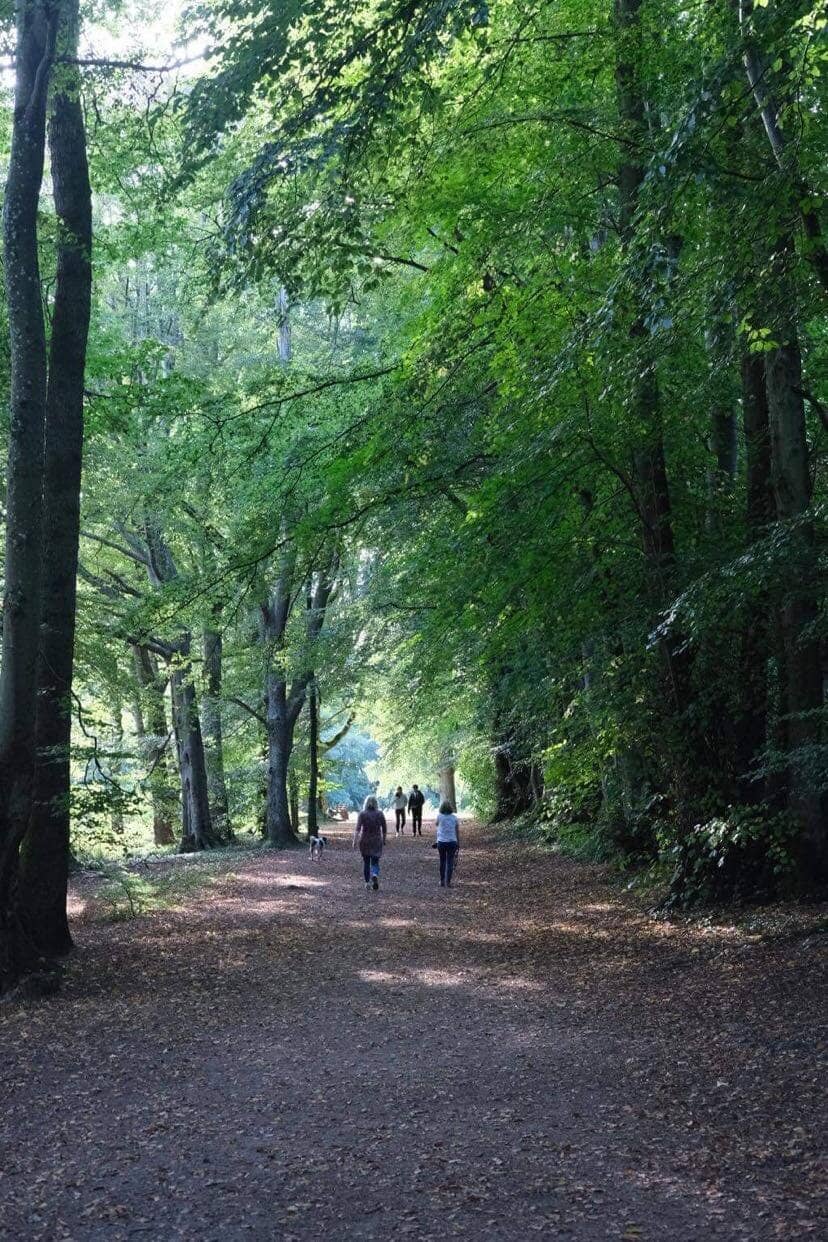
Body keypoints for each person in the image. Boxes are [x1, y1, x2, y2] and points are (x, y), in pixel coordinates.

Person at [353, 795, 387, 890]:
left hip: (365, 840)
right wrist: (384, 839)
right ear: (376, 803)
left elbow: (357, 829)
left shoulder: (362, 814)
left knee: (366, 862)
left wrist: (354, 841)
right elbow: (384, 828)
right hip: (376, 840)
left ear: (366, 803)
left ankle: (367, 882)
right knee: (375, 861)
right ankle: (375, 874)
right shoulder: (380, 814)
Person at [434, 800, 460, 887]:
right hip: (452, 842)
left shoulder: (439, 816)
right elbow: (457, 831)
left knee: (442, 861)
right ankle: (448, 882)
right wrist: (458, 842)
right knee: (450, 862)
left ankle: (442, 881)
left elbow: (436, 824)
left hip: (441, 842)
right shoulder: (454, 818)